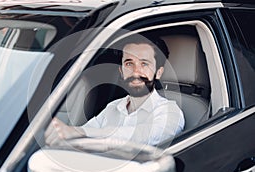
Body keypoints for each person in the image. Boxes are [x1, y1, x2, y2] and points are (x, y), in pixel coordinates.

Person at [45, 34, 185, 146]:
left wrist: (78, 132)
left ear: (158, 72)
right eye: (129, 63)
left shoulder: (169, 112)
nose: (136, 72)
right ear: (121, 71)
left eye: (144, 64)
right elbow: (85, 133)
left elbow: (142, 137)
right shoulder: (113, 107)